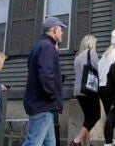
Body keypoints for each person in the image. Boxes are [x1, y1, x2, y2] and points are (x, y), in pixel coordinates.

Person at [22, 16, 67, 146]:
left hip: (42, 105)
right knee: (33, 143)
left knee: (50, 143)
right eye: (60, 29)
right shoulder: (47, 47)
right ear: (54, 30)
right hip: (43, 105)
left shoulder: (41, 46)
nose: (62, 32)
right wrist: (53, 96)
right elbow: (46, 76)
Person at [71, 35, 100, 146]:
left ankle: (87, 144)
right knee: (96, 115)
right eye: (95, 43)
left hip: (79, 90)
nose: (95, 46)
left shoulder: (77, 56)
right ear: (90, 43)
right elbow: (99, 70)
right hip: (90, 89)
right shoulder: (91, 53)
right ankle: (76, 141)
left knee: (88, 117)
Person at [97, 29, 115, 146]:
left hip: (101, 87)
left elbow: (98, 70)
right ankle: (110, 141)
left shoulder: (105, 54)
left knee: (109, 114)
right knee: (113, 115)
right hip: (111, 87)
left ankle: (109, 140)